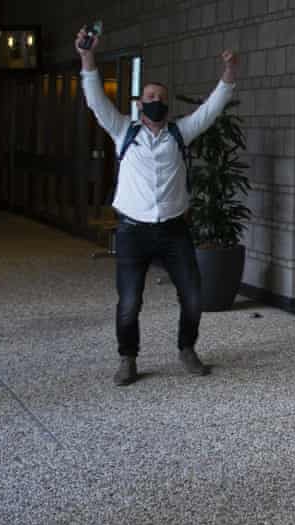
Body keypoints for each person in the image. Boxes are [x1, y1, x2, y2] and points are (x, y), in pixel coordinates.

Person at [75, 27, 239, 386]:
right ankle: (128, 358)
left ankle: (186, 349)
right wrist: (87, 57)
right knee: (129, 302)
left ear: (167, 104)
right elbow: (95, 99)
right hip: (133, 231)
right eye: (149, 96)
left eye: (160, 97)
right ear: (139, 103)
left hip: (173, 230)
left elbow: (213, 107)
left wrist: (229, 73)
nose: (155, 101)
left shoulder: (181, 132)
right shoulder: (123, 131)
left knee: (193, 296)